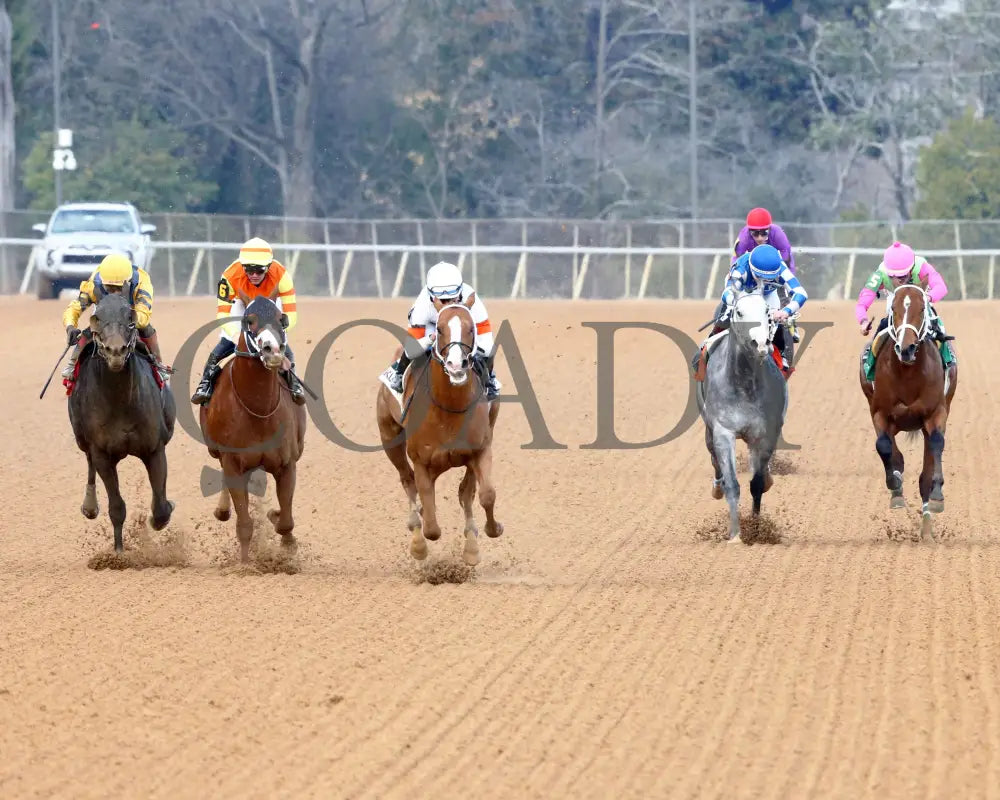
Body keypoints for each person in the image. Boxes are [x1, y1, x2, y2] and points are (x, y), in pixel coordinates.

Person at [190, 237, 305, 405]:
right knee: (226, 342)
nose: (254, 275)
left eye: (259, 270)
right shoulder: (229, 276)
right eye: (249, 270)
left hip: (269, 304)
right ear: (242, 266)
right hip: (240, 304)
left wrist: (281, 328)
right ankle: (205, 383)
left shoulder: (282, 275)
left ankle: (294, 383)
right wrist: (236, 335)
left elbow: (291, 313)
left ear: (269, 266)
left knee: (282, 343)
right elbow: (223, 315)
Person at [379, 260, 501, 401]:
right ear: (432, 297)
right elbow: (412, 348)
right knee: (413, 351)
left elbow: (484, 339)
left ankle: (489, 379)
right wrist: (432, 338)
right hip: (432, 326)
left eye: (452, 299)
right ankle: (399, 373)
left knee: (487, 349)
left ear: (460, 293)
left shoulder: (473, 302)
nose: (448, 304)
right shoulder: (422, 306)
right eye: (443, 301)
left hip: (464, 323)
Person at [694, 243, 807, 374]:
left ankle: (781, 357)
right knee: (724, 320)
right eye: (760, 278)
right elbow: (727, 294)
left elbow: (801, 293)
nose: (764, 283)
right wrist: (738, 304)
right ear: (752, 270)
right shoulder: (740, 269)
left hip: (768, 297)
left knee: (775, 326)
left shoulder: (781, 268)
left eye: (769, 279)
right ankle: (707, 349)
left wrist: (785, 312)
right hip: (741, 294)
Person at [61, 252, 169, 384]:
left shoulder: (142, 281)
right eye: (109, 287)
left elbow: (144, 313)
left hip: (130, 314)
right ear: (102, 281)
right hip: (105, 314)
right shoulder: (94, 282)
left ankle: (159, 365)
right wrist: (70, 327)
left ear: (128, 282)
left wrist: (132, 319)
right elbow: (75, 307)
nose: (113, 292)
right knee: (90, 330)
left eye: (118, 288)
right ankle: (72, 364)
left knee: (147, 329)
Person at [856, 241, 955, 379]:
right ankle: (871, 366)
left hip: (920, 301)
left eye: (903, 276)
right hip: (896, 302)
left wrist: (926, 298)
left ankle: (948, 361)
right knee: (882, 329)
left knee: (937, 324)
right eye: (895, 277)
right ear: (888, 273)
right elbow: (862, 303)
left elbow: (941, 287)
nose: (900, 280)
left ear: (911, 268)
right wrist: (863, 321)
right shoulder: (880, 275)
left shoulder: (921, 266)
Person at [731, 207, 800, 343]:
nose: (760, 238)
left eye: (764, 233)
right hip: (753, 270)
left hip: (775, 267)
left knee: (783, 294)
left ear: (770, 229)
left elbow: (786, 256)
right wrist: (733, 274)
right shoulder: (743, 237)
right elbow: (736, 258)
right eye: (755, 234)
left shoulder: (778, 233)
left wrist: (784, 280)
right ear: (749, 231)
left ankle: (790, 322)